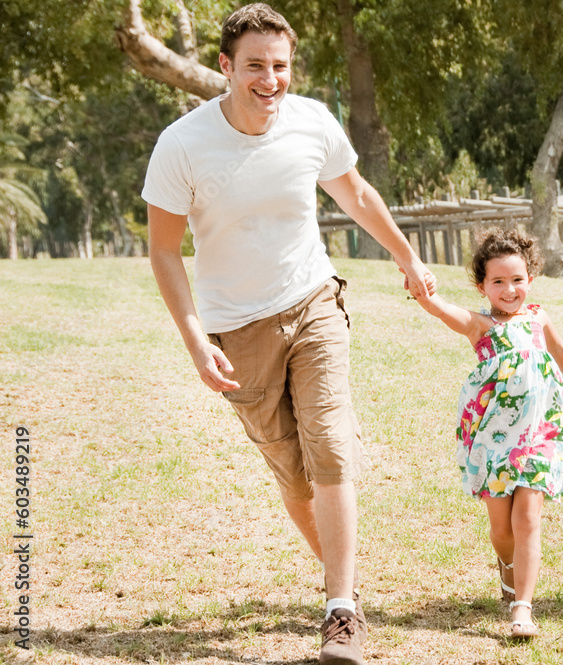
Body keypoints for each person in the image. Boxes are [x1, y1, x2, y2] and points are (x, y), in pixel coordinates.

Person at [141, 4, 435, 663]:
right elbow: (164, 251)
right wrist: (195, 341)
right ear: (225, 67)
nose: (270, 80)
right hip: (236, 330)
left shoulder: (310, 123)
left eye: (280, 66)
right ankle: (350, 587)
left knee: (329, 443)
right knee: (295, 476)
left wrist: (407, 257)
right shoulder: (183, 145)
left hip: (312, 301)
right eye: (255, 67)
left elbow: (355, 192)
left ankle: (339, 611)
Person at [411, 227, 563, 639]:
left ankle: (522, 609)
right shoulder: (480, 325)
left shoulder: (538, 317)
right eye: (498, 281)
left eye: (517, 279)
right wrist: (422, 292)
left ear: (530, 278)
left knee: (528, 517)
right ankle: (507, 565)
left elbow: (561, 351)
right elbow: (442, 311)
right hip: (494, 437)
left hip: (539, 430)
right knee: (502, 528)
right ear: (482, 287)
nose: (510, 289)